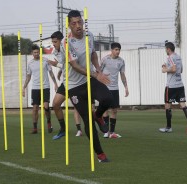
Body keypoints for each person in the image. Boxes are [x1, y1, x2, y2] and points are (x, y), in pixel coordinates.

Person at [63, 10, 113, 162]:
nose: (78, 26)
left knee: (108, 99)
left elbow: (92, 54)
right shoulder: (67, 42)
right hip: (74, 86)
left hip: (90, 79)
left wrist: (97, 69)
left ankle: (98, 116)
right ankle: (100, 154)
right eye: (74, 23)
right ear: (69, 25)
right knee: (87, 122)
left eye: (80, 22)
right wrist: (95, 74)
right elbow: (75, 65)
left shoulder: (89, 35)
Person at [159, 42, 187, 133]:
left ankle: (168, 127)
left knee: (167, 105)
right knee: (182, 104)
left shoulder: (170, 57)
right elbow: (180, 70)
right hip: (180, 85)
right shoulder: (179, 57)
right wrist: (169, 68)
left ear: (168, 49)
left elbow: (174, 69)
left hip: (171, 86)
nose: (165, 51)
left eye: (166, 49)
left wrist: (164, 69)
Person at [22, 44, 58, 134]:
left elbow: (51, 73)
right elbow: (28, 76)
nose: (36, 54)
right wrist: (24, 87)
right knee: (35, 108)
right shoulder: (30, 64)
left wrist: (55, 84)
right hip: (35, 88)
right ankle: (35, 128)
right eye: (35, 52)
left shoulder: (45, 60)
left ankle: (49, 122)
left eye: (38, 52)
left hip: (45, 87)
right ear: (32, 53)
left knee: (46, 107)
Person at [101, 42, 129, 138]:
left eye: (119, 50)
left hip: (115, 88)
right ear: (112, 50)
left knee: (114, 110)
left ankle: (112, 132)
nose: (118, 51)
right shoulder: (105, 59)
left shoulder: (121, 61)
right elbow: (98, 72)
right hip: (104, 88)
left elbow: (122, 75)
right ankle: (106, 132)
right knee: (105, 109)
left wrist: (126, 87)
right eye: (116, 49)